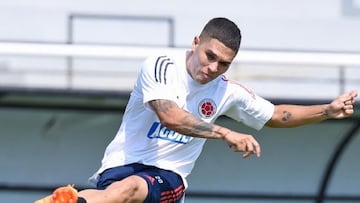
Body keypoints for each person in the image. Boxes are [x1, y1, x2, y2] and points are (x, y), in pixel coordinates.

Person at [34, 17, 358, 203]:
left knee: (129, 189)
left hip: (167, 180)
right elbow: (170, 115)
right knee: (117, 189)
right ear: (195, 43)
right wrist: (225, 131)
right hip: (117, 168)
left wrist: (327, 111)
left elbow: (275, 115)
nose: (213, 68)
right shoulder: (160, 66)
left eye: (224, 63)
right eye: (210, 56)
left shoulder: (227, 91)